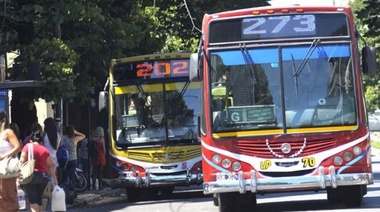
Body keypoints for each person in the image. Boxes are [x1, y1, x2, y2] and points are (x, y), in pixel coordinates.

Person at [19, 130, 58, 212]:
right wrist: (55, 179)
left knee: (33, 200)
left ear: (31, 140)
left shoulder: (27, 147)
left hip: (31, 176)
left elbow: (21, 161)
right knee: (39, 199)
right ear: (41, 141)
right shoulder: (45, 150)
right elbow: (50, 165)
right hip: (43, 177)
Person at [0, 110, 21, 212]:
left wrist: (4, 156)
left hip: (6, 169)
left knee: (8, 195)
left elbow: (17, 147)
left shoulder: (8, 132)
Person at [42, 117, 61, 186]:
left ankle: (46, 192)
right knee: (53, 177)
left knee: (45, 177)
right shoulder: (58, 136)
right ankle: (54, 192)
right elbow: (57, 147)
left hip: (45, 158)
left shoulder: (44, 135)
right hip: (54, 158)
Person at [90, 126, 106, 190]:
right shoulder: (101, 139)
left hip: (94, 157)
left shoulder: (92, 138)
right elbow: (103, 149)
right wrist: (104, 155)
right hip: (100, 156)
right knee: (100, 173)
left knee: (94, 172)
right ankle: (100, 186)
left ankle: (93, 186)